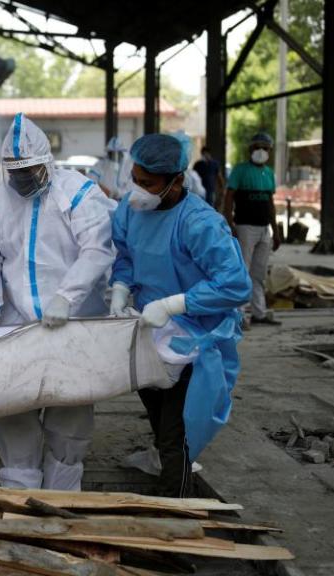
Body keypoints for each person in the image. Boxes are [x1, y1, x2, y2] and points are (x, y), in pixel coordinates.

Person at [0, 113, 117, 490]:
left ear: (46, 164)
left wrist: (67, 298)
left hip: (74, 323)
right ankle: (19, 487)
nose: (22, 182)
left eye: (29, 173)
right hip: (16, 323)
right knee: (13, 405)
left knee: (71, 406)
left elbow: (97, 250)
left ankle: (63, 489)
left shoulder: (79, 193)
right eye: (15, 174)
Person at [108, 133, 251, 497]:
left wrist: (176, 304)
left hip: (193, 338)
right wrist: (121, 288)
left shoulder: (200, 223)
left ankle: (176, 509)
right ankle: (165, 463)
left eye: (148, 183)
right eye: (135, 179)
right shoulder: (131, 208)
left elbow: (235, 284)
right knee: (157, 414)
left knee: (177, 432)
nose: (137, 189)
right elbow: (124, 254)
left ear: (176, 181)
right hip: (149, 331)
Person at [223, 132, 282, 328]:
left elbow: (271, 203)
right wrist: (229, 223)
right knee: (243, 271)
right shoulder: (240, 170)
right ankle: (240, 316)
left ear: (270, 151)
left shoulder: (269, 173)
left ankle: (259, 312)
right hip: (245, 226)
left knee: (259, 274)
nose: (261, 151)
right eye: (258, 147)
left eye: (265, 148)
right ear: (250, 149)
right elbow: (229, 197)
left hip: (264, 228)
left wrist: (275, 230)